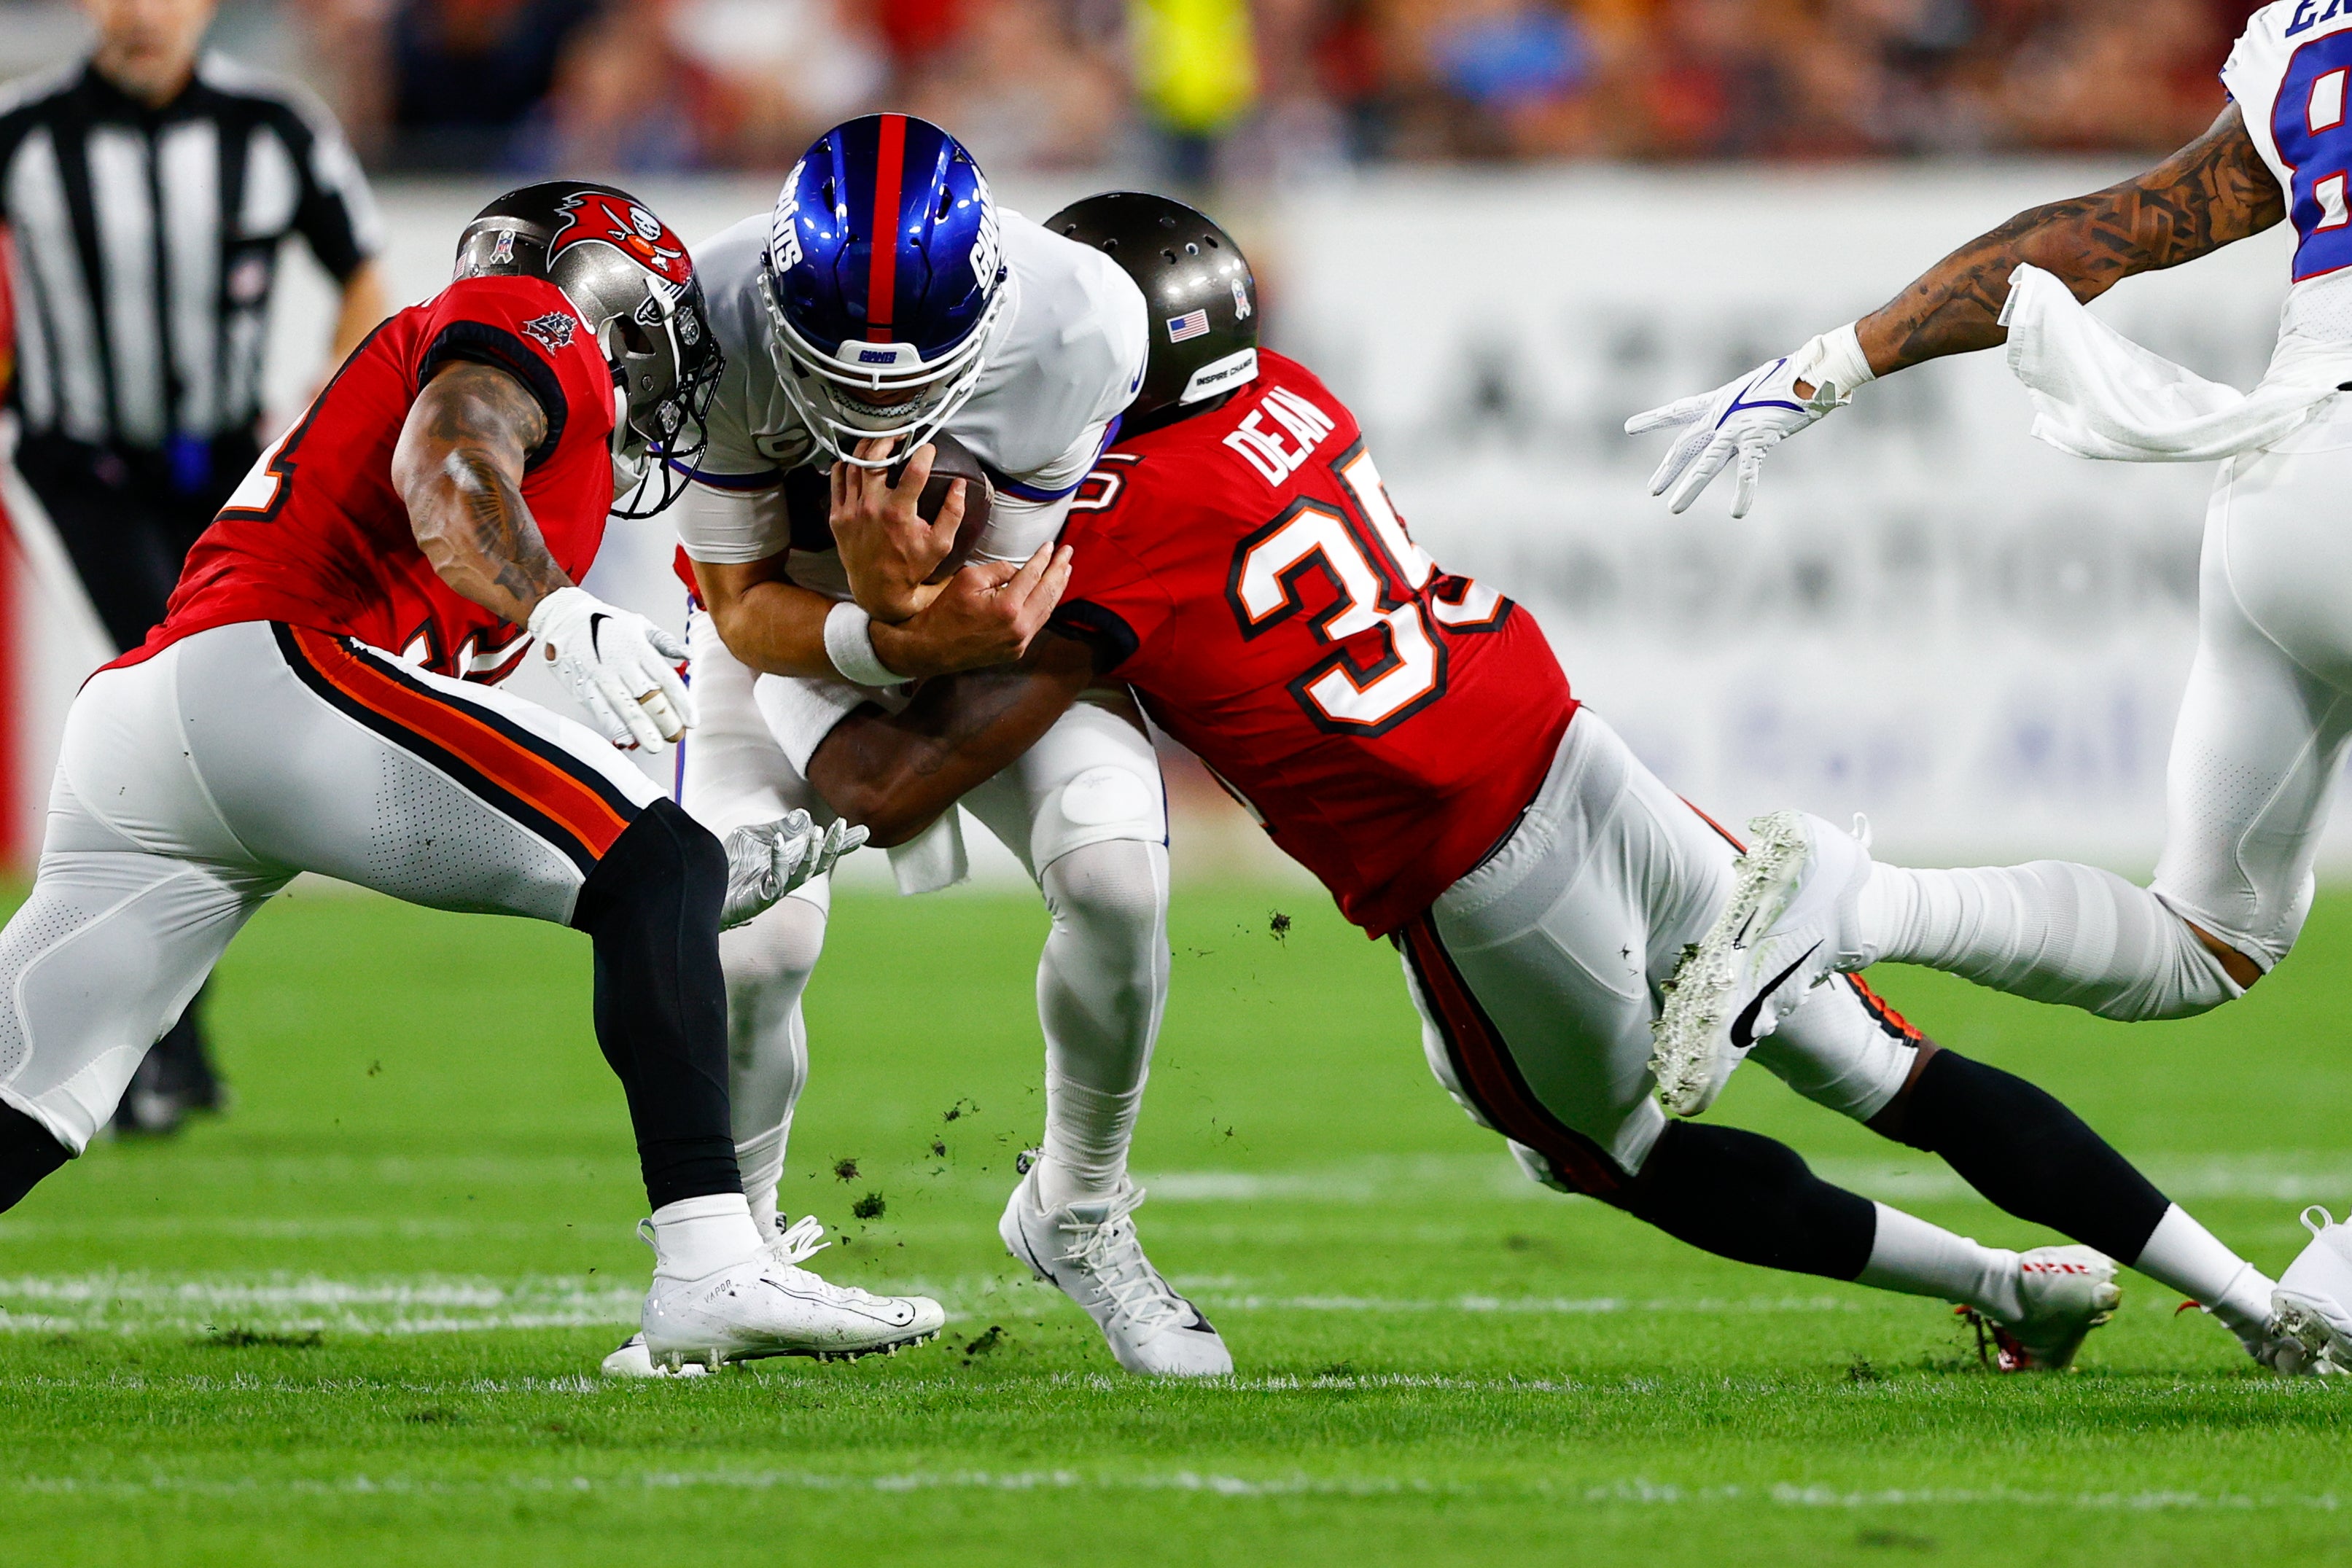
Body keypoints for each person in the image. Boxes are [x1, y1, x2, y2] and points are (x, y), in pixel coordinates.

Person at [780, 191, 2307, 1376]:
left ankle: (1996, 1286)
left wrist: (884, 615)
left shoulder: (1109, 524)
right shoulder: (1288, 393)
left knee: (1602, 1152)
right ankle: (2245, 1295)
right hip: (1570, 740)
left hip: (1466, 862)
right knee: (1877, 1068)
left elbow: (890, 777)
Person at [0, 179, 941, 1373]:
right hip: (273, 674)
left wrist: (691, 878)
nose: (669, 373)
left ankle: (714, 1251)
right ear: (605, 295)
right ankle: (710, 1262)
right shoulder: (526, 319)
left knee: (25, 1089)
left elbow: (478, 740)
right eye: (658, 332)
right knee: (652, 861)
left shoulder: (533, 445)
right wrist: (563, 622)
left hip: (158, 725)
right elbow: (448, 460)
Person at [1621, 0, 2352, 1371]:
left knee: (2206, 939)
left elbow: (2109, 231)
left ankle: (1855, 901)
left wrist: (1828, 361)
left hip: (2290, 484)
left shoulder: (2316, 41)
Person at [602, 113, 1210, 1378]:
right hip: (784, 634)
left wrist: (903, 618)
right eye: (841, 376)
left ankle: (1079, 1213)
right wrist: (882, 620)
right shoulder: (706, 309)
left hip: (975, 628)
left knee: (1115, 875)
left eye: (908, 380)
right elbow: (739, 609)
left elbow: (997, 613)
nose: (873, 412)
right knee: (754, 943)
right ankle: (739, 1256)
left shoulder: (1078, 318)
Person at [0, 0, 391, 1133]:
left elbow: (361, 279)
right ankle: (153, 1050)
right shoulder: (25, 137)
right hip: (78, 471)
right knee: (169, 719)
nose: (140, 11)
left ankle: (159, 1050)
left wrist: (328, 428)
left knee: (186, 731)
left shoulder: (276, 129)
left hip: (225, 471)